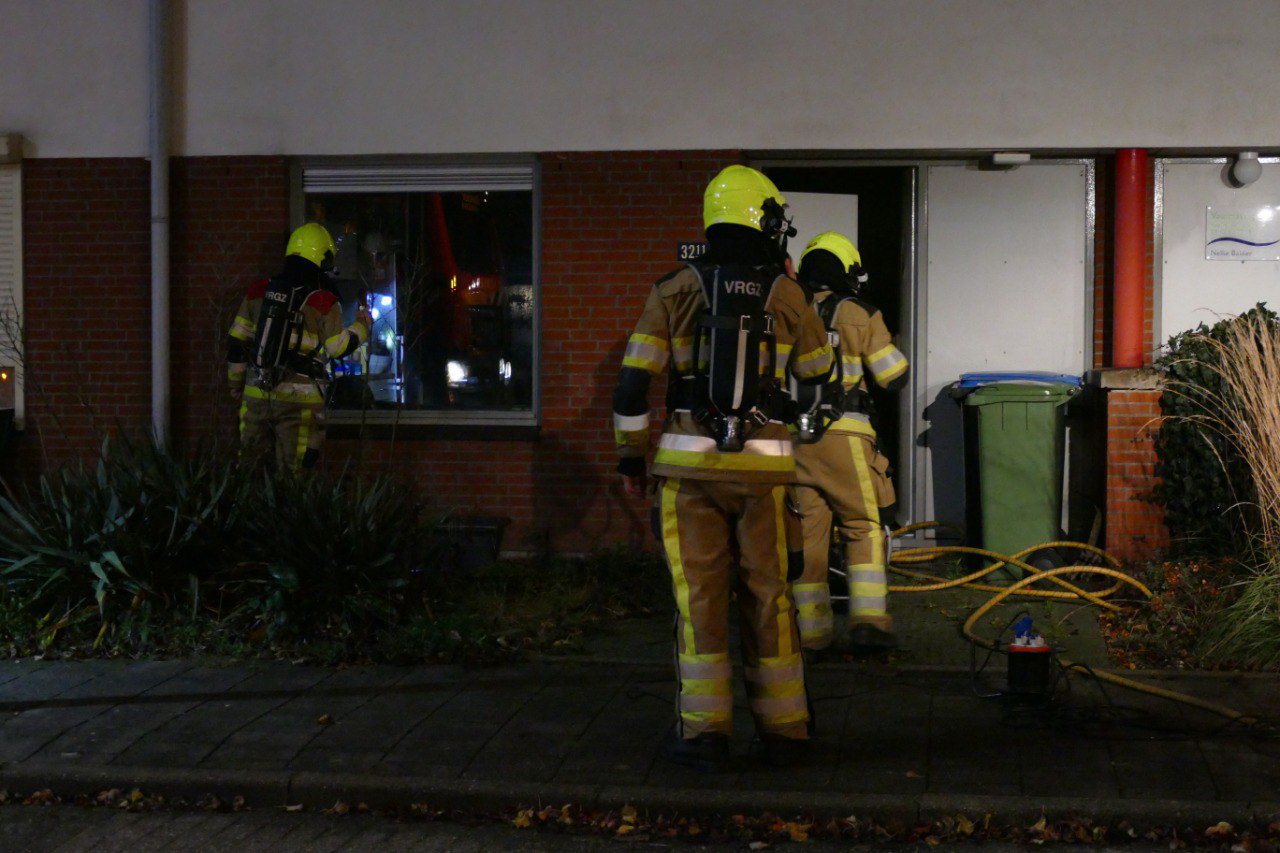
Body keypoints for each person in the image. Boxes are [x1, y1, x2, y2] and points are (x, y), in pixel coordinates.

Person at [611, 165, 834, 770]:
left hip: (688, 476)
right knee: (770, 597)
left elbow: (631, 387)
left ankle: (704, 734)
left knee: (699, 602)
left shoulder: (673, 289)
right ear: (764, 219)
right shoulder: (788, 294)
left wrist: (631, 458)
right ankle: (785, 731)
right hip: (765, 478)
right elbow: (817, 375)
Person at [788, 231, 909, 654]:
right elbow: (892, 376)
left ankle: (812, 634)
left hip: (797, 441)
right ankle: (869, 622)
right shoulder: (860, 312)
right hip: (847, 436)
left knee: (807, 538)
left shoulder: (790, 310)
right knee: (862, 526)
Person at [226, 223, 371, 472]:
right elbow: (338, 347)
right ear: (322, 256)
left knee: (249, 467)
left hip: (257, 392)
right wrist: (362, 326)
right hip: (300, 400)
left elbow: (237, 342)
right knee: (294, 472)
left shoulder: (258, 291)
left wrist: (235, 384)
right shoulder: (323, 299)